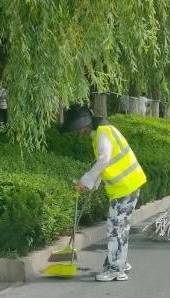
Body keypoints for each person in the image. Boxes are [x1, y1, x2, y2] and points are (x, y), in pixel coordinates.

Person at [61, 105, 147, 282]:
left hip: (125, 186)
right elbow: (104, 164)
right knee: (119, 226)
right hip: (128, 185)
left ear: (84, 124)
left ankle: (116, 269)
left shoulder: (102, 133)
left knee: (116, 228)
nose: (79, 132)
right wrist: (90, 184)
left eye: (78, 128)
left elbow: (104, 160)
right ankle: (119, 261)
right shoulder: (103, 130)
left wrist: (84, 181)